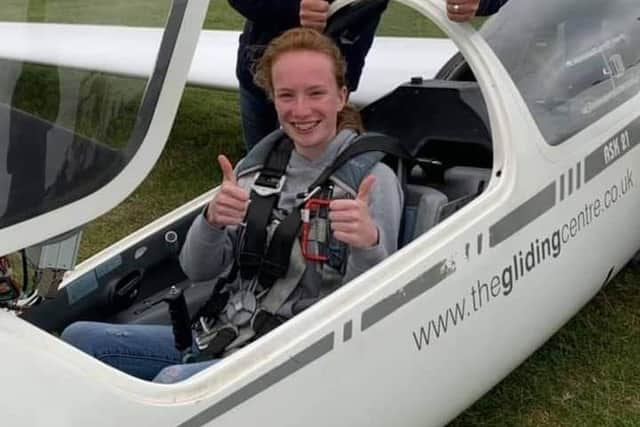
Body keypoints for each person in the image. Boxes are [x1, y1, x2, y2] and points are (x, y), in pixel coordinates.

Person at [61, 27, 404, 384]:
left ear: (341, 97)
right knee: (78, 339)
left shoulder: (369, 183)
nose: (300, 110)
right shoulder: (256, 169)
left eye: (316, 93)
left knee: (173, 382)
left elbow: (379, 307)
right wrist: (210, 222)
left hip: (297, 351)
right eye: (286, 95)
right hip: (223, 331)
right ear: (273, 100)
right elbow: (198, 269)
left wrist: (368, 244)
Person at [230, 0, 509, 151]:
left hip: (333, 82)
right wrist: (294, 6)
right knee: (261, 162)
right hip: (265, 81)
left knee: (323, 167)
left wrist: (480, 2)